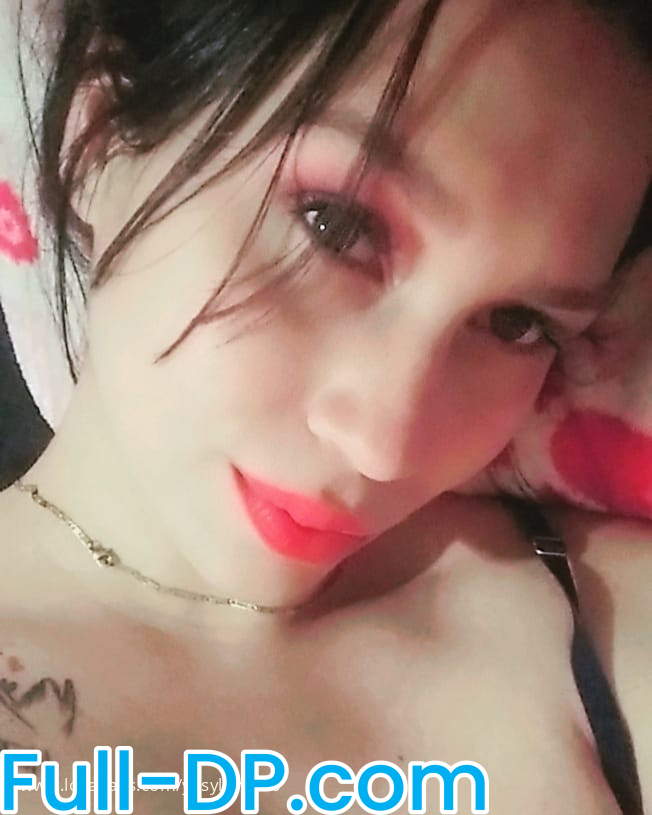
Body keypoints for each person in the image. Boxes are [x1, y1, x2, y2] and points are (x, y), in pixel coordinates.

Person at [0, 0, 650, 812]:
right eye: (335, 226)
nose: (386, 443)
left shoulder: (597, 616)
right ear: (96, 141)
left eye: (517, 323)